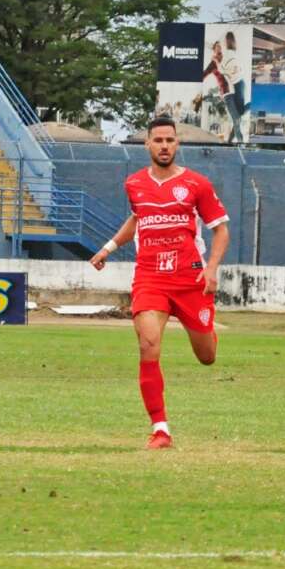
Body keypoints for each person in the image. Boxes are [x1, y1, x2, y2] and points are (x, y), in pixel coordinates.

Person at [89, 117, 230, 449]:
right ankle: (160, 429)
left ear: (177, 144)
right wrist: (108, 248)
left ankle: (204, 327)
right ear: (147, 145)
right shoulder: (134, 184)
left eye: (170, 140)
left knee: (207, 356)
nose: (164, 146)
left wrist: (211, 269)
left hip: (190, 278)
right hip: (150, 277)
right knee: (148, 344)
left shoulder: (197, 184)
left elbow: (221, 228)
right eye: (158, 140)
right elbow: (138, 218)